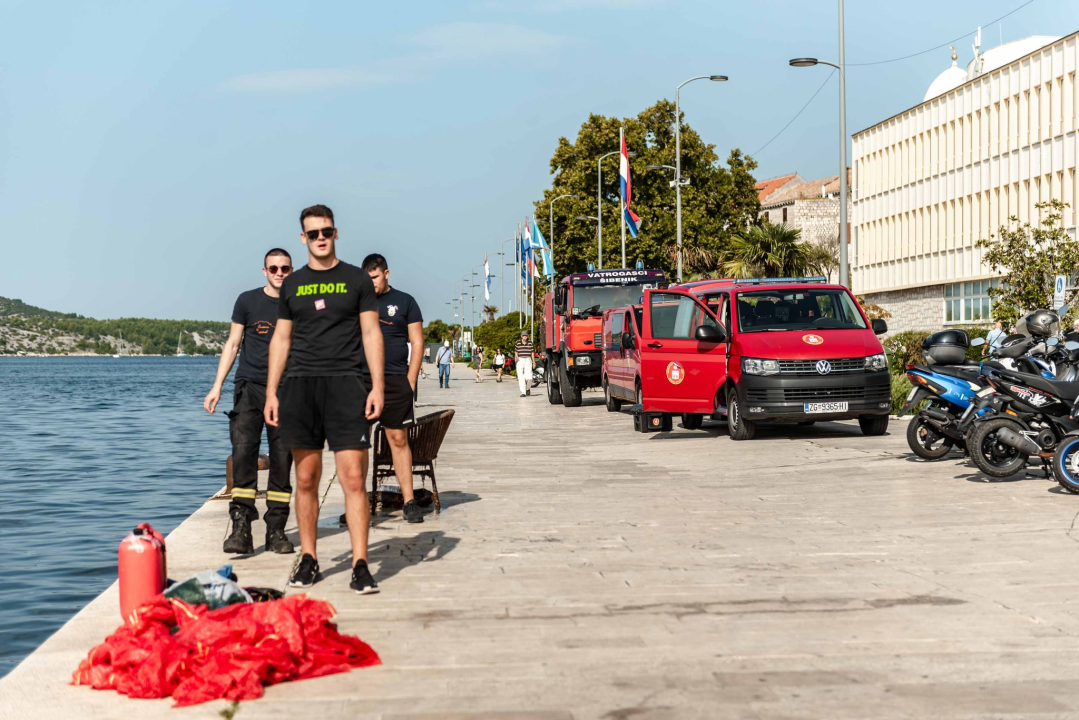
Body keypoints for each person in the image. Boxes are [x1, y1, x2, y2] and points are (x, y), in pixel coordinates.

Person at [265, 204, 385, 595]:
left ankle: (361, 564)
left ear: (336, 234)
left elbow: (371, 335)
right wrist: (271, 391)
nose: (320, 238)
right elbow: (281, 339)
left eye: (327, 231)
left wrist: (377, 386)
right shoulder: (292, 284)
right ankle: (310, 559)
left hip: (347, 384)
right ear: (303, 238)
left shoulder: (356, 280)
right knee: (305, 478)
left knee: (353, 478)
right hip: (300, 385)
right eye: (313, 233)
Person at [203, 249, 295, 555]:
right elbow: (232, 344)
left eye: (284, 268)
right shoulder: (247, 301)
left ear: (291, 270)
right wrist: (216, 386)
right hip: (249, 388)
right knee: (243, 455)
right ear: (264, 270)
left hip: (286, 391)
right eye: (274, 268)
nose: (279, 272)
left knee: (282, 459)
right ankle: (241, 528)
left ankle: (277, 531)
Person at [360, 253, 425, 524]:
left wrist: (410, 380)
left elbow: (418, 342)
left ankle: (409, 501)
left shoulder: (405, 302)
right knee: (359, 443)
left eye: (374, 277)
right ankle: (359, 504)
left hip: (396, 379)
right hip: (361, 382)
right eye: (367, 278)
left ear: (386, 274)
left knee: (398, 439)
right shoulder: (358, 303)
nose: (371, 283)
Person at [515, 331, 534, 397]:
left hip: (528, 359)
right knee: (520, 377)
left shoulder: (530, 343)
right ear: (521, 336)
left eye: (525, 335)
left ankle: (528, 388)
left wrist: (533, 361)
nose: (524, 336)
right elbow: (516, 351)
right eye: (523, 335)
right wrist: (517, 357)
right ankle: (523, 392)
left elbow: (532, 353)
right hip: (520, 359)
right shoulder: (518, 343)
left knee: (529, 377)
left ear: (527, 336)